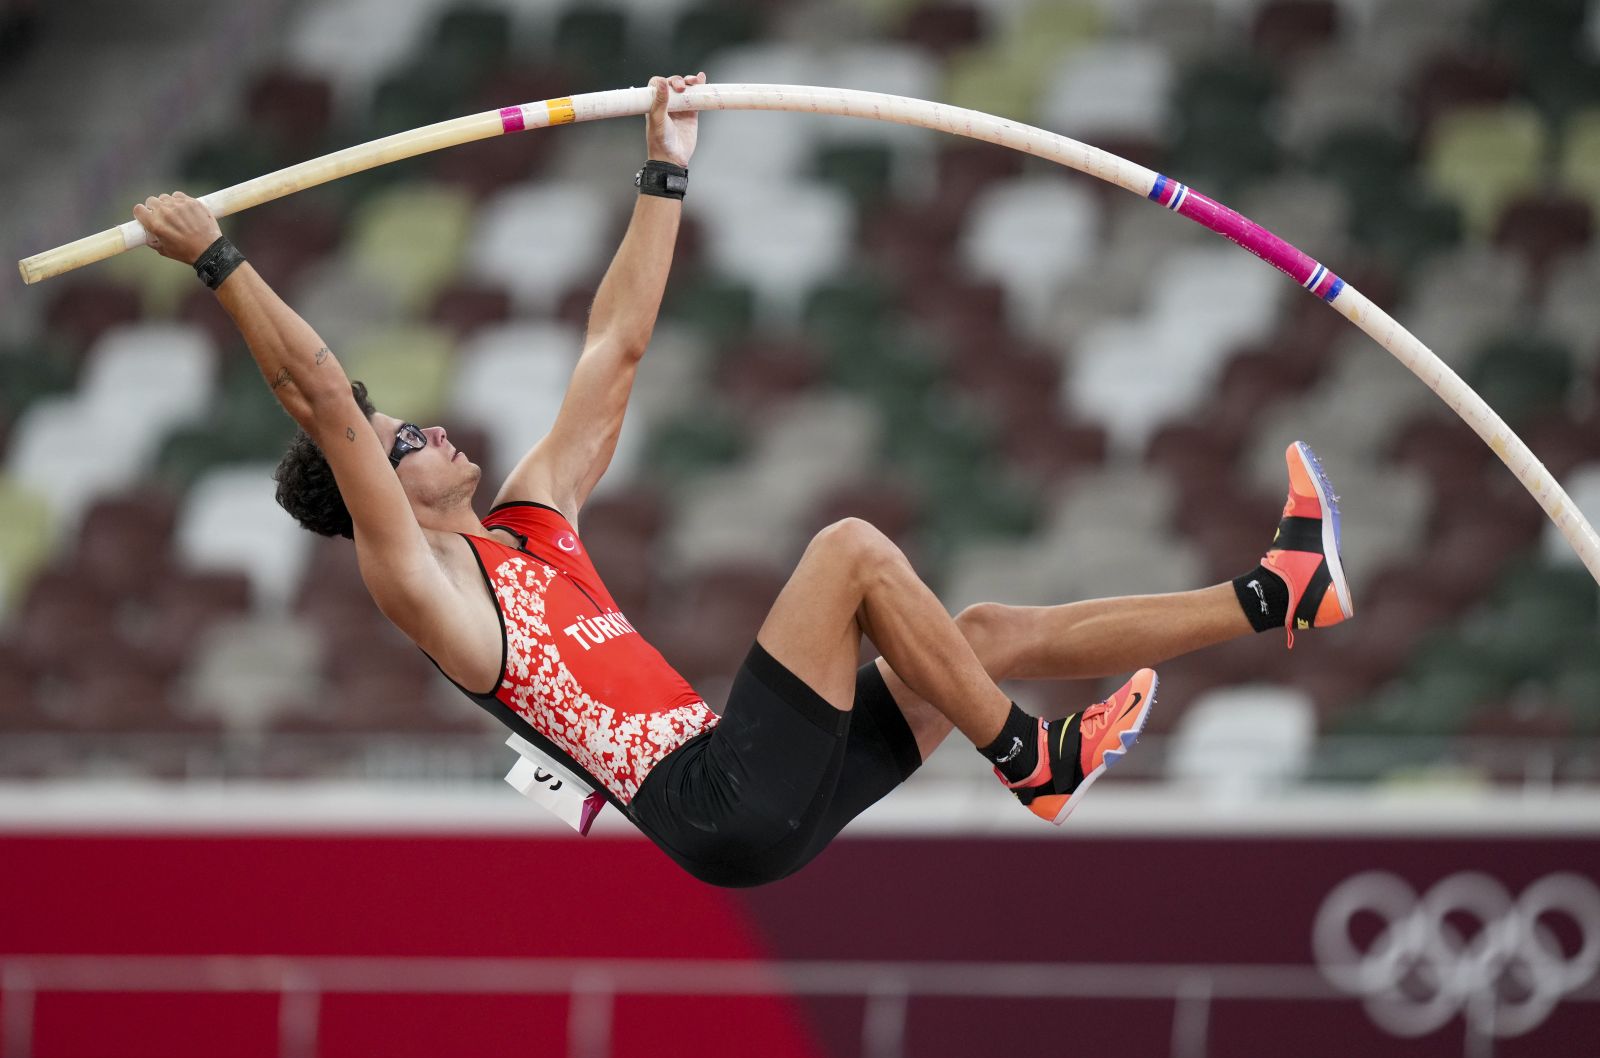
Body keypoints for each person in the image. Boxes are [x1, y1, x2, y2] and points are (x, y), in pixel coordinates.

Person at [133, 72, 1352, 888]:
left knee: (971, 635)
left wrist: (664, 169)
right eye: (403, 442)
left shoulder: (531, 520)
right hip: (712, 799)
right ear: (377, 496)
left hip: (752, 785)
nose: (432, 430)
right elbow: (318, 391)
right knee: (850, 549)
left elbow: (615, 347)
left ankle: (1275, 591)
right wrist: (216, 258)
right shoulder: (424, 585)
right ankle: (1033, 757)